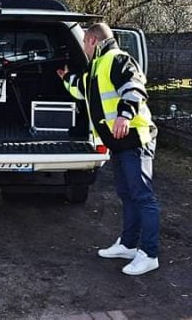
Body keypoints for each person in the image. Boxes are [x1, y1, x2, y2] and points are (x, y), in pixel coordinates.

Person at [57, 22, 159, 276]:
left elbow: (135, 87)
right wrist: (66, 78)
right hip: (119, 144)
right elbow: (83, 91)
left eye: (84, 43)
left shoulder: (117, 58)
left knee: (143, 197)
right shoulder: (96, 68)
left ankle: (149, 254)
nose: (83, 48)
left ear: (92, 40)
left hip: (135, 140)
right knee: (127, 195)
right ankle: (127, 244)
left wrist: (125, 115)